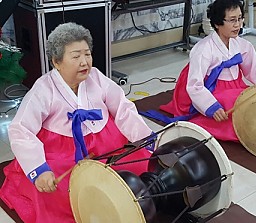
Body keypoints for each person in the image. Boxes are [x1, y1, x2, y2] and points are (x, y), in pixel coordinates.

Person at [0, 22, 154, 223]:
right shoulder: (43, 89)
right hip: (63, 151)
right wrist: (39, 169)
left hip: (107, 145)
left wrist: (144, 137)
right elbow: (21, 129)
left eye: (87, 54)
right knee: (61, 189)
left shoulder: (97, 77)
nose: (84, 62)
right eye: (75, 56)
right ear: (56, 61)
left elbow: (123, 108)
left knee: (138, 164)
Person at [157, 0, 256, 141]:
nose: (237, 24)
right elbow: (195, 85)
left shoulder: (243, 45)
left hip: (235, 88)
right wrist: (211, 107)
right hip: (211, 90)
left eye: (240, 19)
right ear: (218, 23)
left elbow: (255, 70)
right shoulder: (203, 49)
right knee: (241, 112)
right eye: (232, 20)